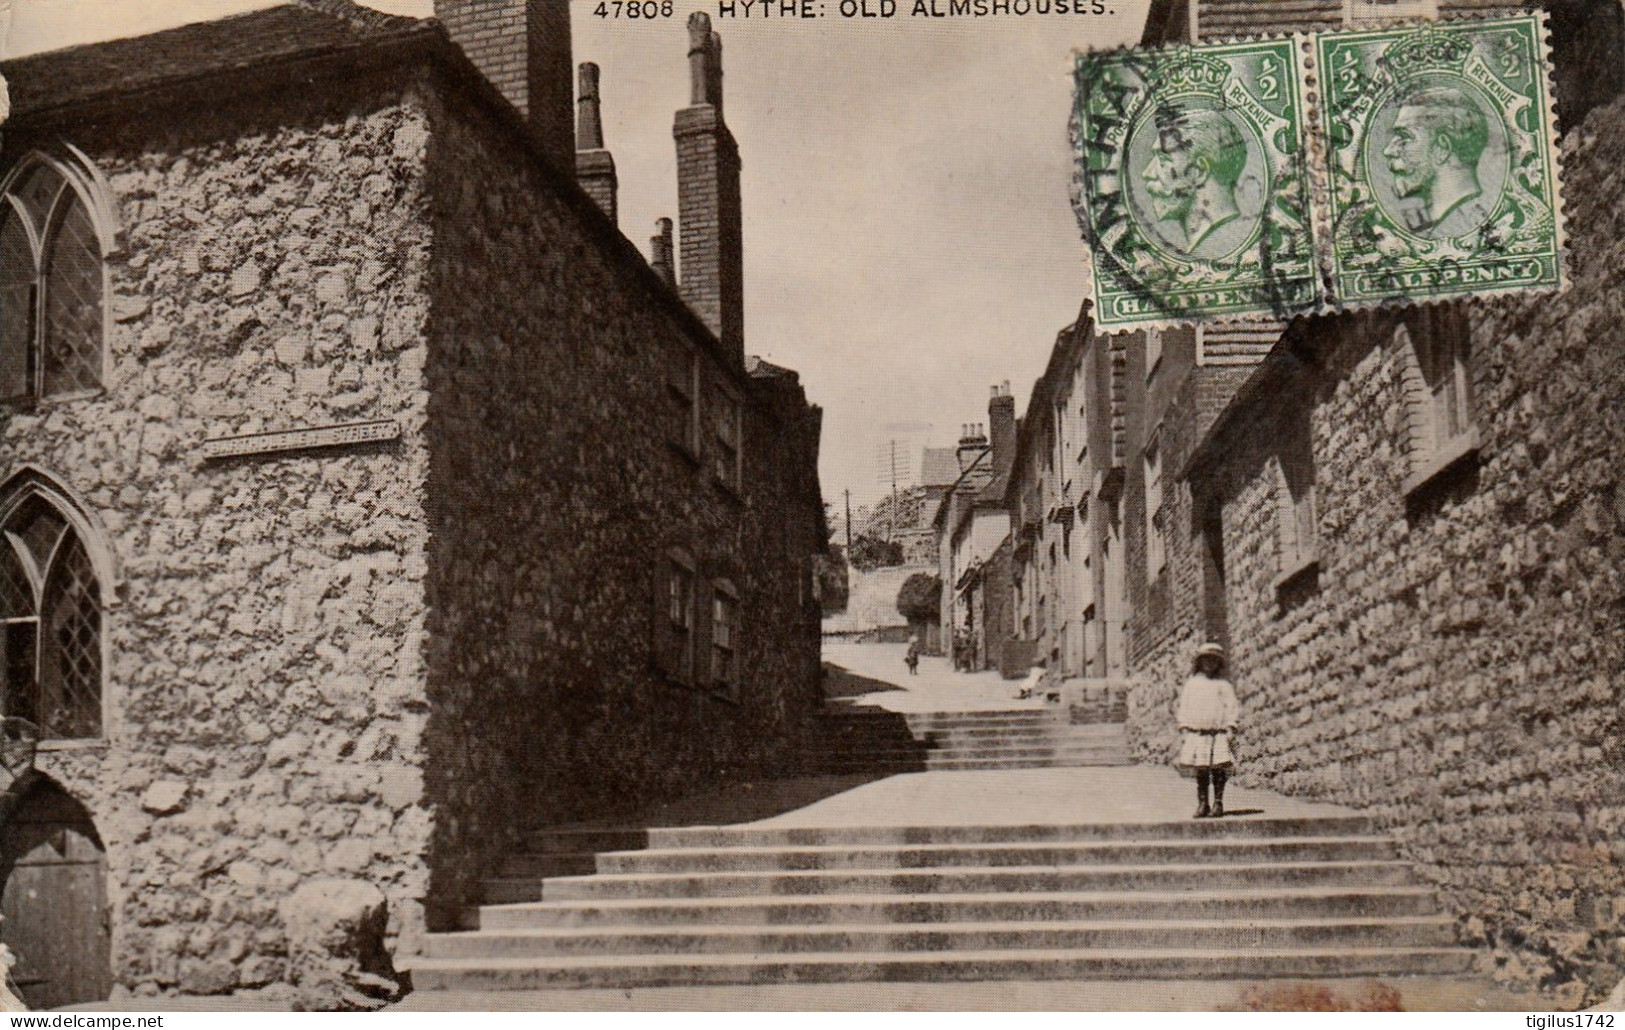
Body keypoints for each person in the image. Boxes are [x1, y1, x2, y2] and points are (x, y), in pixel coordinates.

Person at [1141, 104, 1251, 257]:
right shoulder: (1219, 247)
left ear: (1199, 171)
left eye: (1163, 159)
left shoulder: (1222, 246)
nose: (1147, 173)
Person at [1381, 86, 1491, 238]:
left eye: (1405, 137)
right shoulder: (1463, 225)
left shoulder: (1462, 228)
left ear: (1442, 149)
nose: (1388, 151)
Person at [1175, 641, 1240, 819]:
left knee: (1219, 768)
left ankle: (1218, 802)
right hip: (1198, 733)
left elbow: (1231, 707)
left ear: (1219, 663)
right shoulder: (1192, 685)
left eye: (1214, 660)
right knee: (1201, 769)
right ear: (1200, 663)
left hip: (1217, 733)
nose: (1209, 664)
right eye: (1206, 660)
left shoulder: (1223, 685)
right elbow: (1184, 707)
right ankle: (1203, 803)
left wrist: (1230, 726)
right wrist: (1184, 727)